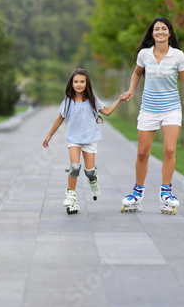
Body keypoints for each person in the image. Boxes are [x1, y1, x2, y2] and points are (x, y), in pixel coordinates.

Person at [121, 17, 184, 214]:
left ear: (169, 33)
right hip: (149, 109)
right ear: (152, 33)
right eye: (156, 29)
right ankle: (137, 192)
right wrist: (131, 90)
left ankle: (166, 192)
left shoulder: (178, 56)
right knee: (142, 153)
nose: (160, 31)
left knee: (169, 150)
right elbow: (136, 73)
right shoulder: (144, 54)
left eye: (164, 28)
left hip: (171, 109)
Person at [42, 68, 126, 214]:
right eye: (76, 82)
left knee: (89, 172)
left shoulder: (93, 99)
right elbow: (59, 119)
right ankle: (71, 197)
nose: (79, 84)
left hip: (90, 139)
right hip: (74, 139)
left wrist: (119, 99)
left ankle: (93, 180)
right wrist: (49, 135)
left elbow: (107, 112)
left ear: (87, 83)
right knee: (74, 168)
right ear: (71, 84)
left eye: (82, 81)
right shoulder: (68, 101)